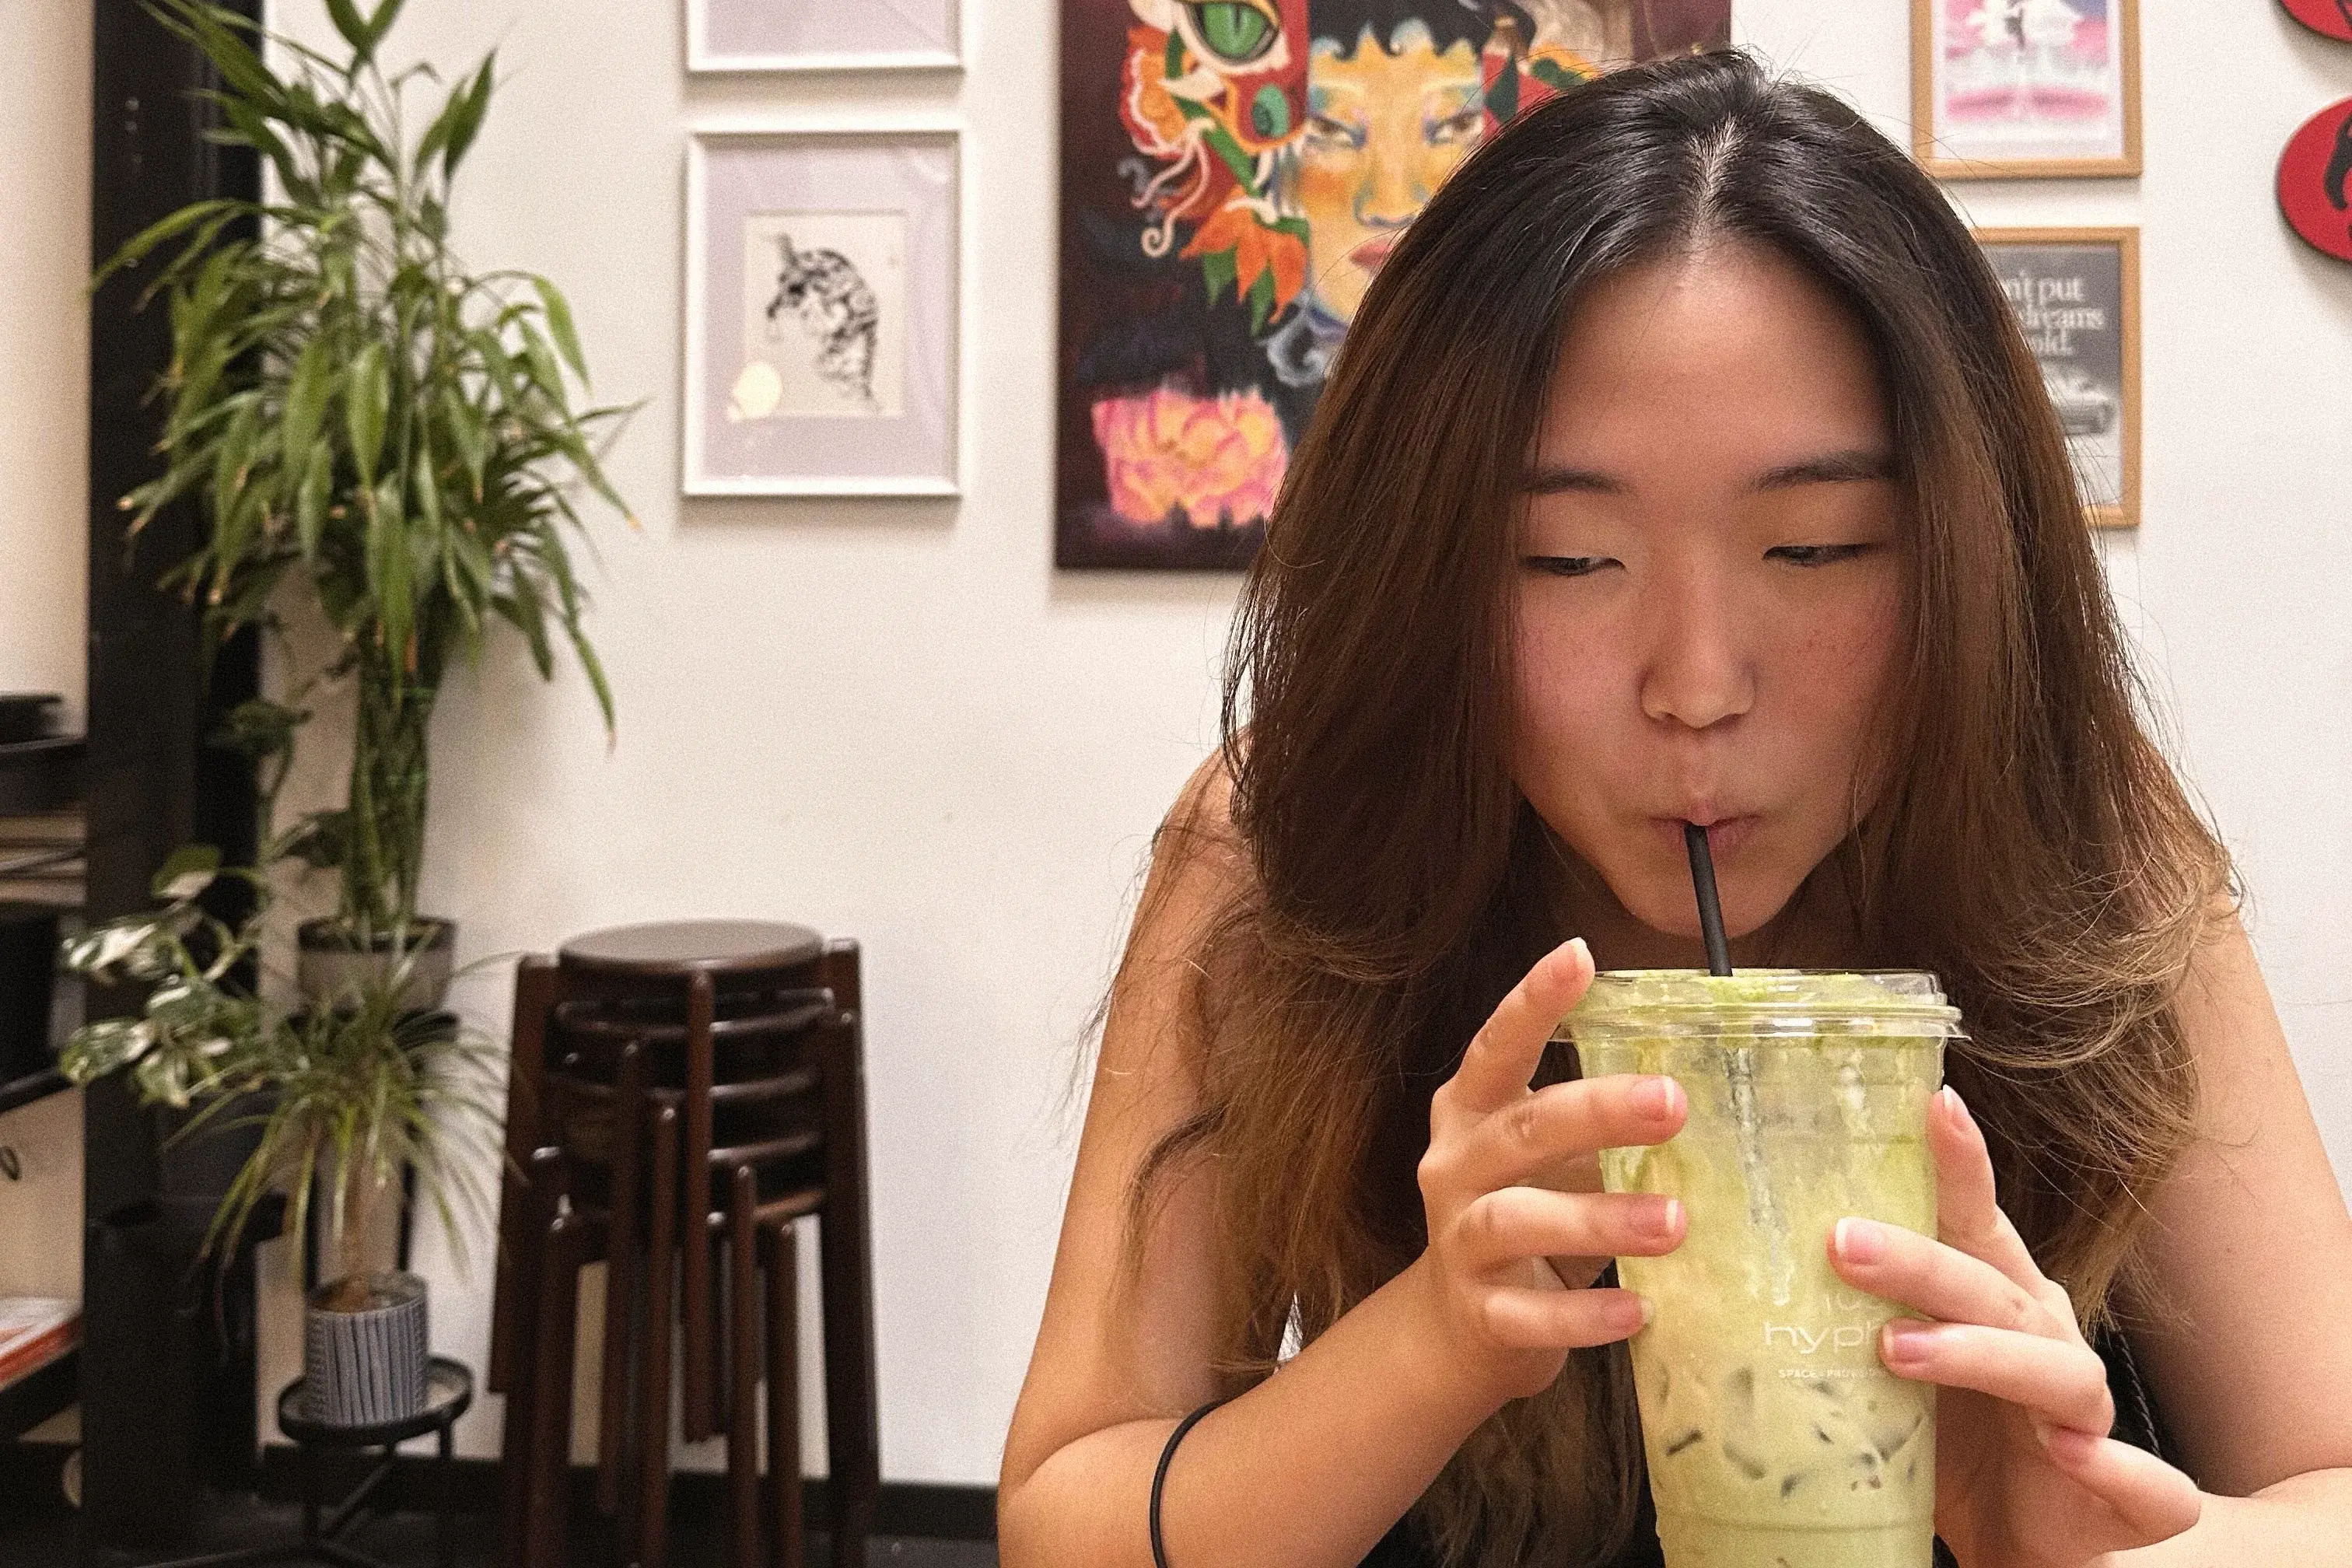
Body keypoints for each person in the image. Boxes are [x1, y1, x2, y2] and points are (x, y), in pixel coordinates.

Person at [1000, 48, 2352, 1568]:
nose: (1697, 684)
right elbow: (1067, 1514)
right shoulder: (1291, 844)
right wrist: (1425, 1351)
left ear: (1968, 557)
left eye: (1821, 548)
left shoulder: (2080, 836)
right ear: (1426, 573)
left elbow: (2332, 1483)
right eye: (1568, 562)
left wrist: (2090, 1557)